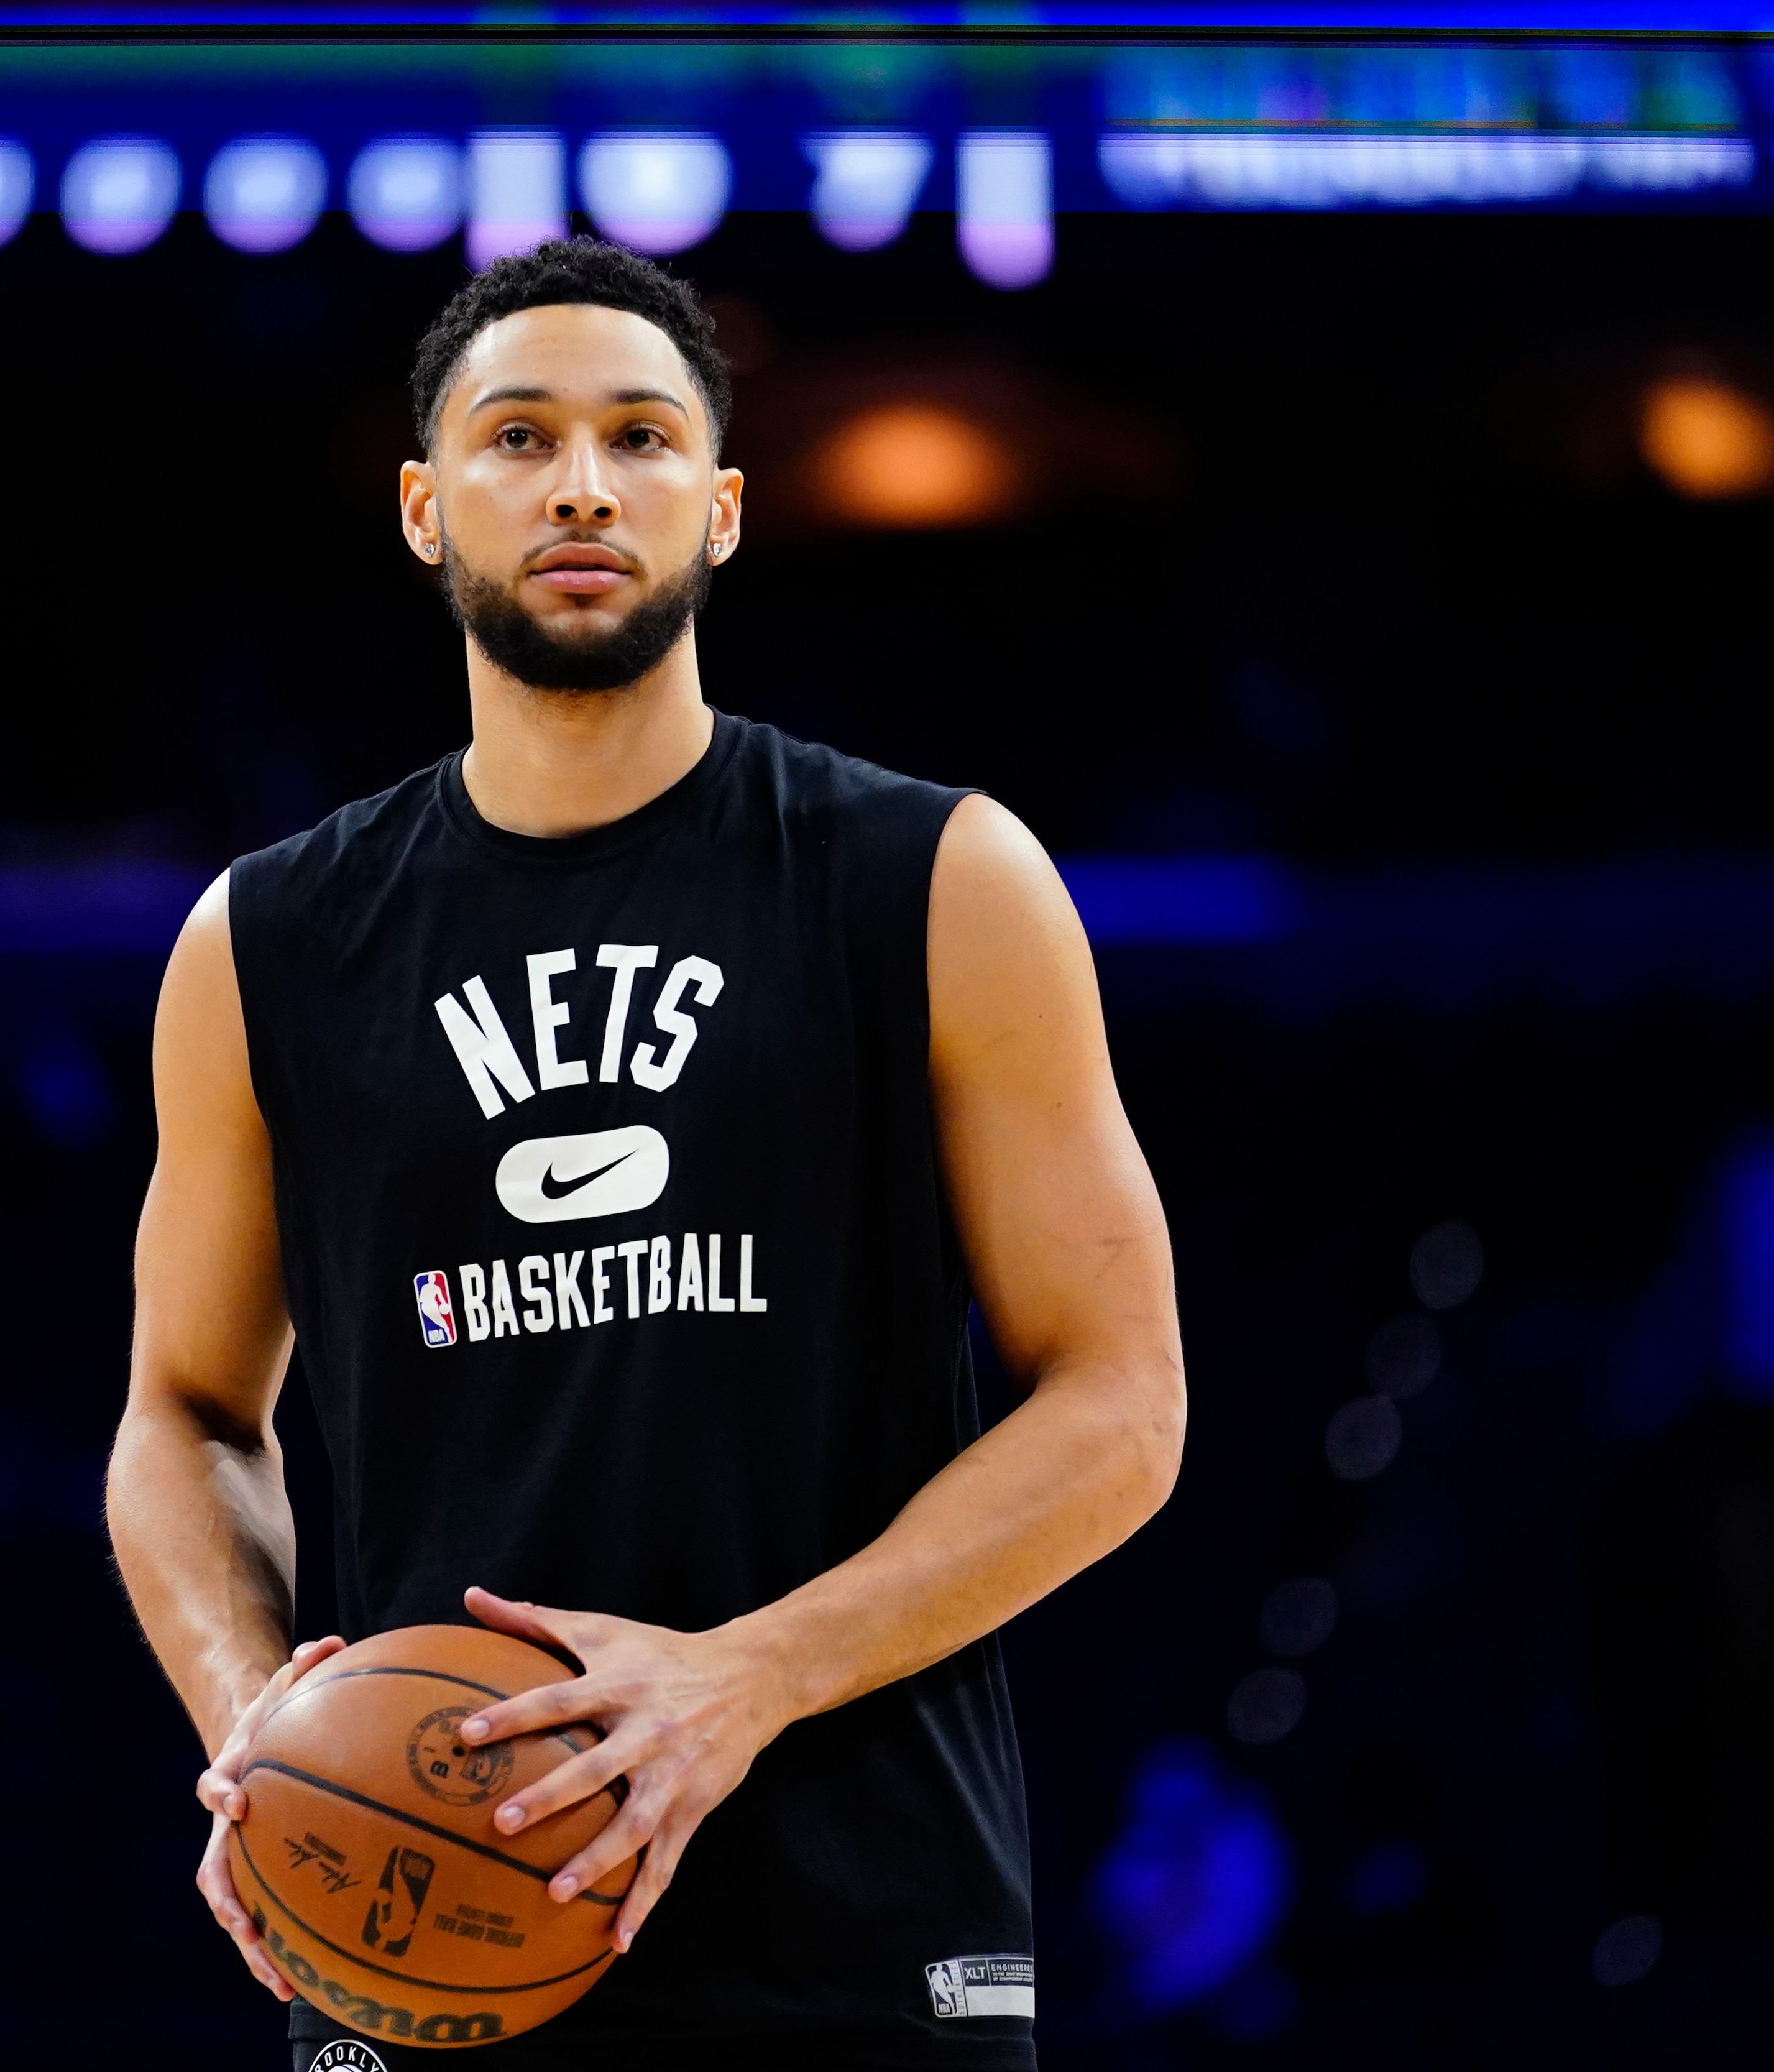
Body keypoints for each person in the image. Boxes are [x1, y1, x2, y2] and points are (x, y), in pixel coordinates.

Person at [107, 237, 1186, 2071]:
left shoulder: (930, 879)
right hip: (425, 1931)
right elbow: (184, 1417)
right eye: (519, 438)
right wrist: (254, 1721)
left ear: (727, 508)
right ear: (423, 508)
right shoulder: (264, 945)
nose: (586, 484)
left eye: (644, 437)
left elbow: (1123, 1410)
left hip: (862, 1936)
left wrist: (741, 1679)